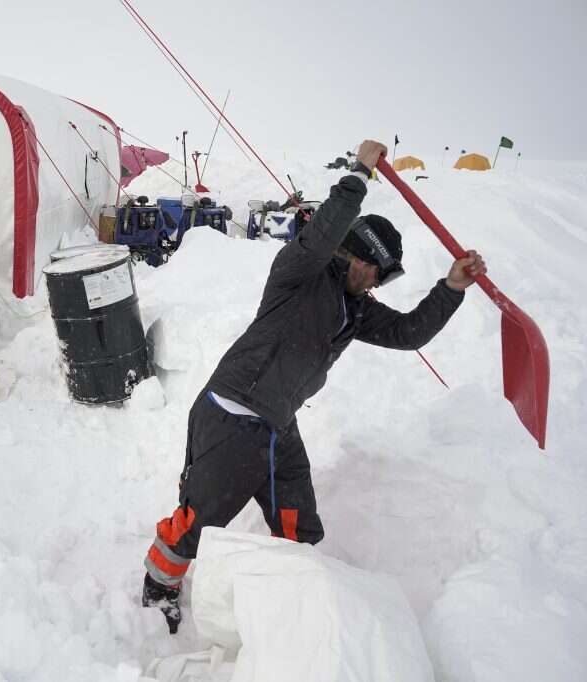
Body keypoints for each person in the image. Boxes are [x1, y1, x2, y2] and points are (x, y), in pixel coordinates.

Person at [141, 139, 487, 634]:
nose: (375, 286)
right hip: (234, 413)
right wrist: (359, 175)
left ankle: (293, 589)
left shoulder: (357, 308)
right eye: (377, 275)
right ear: (359, 257)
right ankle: (157, 590)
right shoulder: (299, 272)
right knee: (199, 521)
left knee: (298, 522)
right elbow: (322, 234)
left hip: (279, 423)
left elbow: (409, 333)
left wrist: (451, 287)